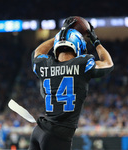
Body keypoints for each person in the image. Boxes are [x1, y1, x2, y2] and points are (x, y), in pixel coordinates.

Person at [29, 16, 114, 150]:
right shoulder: (82, 64)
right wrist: (95, 40)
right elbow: (108, 64)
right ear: (78, 45)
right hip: (58, 137)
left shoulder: (44, 64)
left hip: (39, 131)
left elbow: (37, 52)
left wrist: (61, 35)